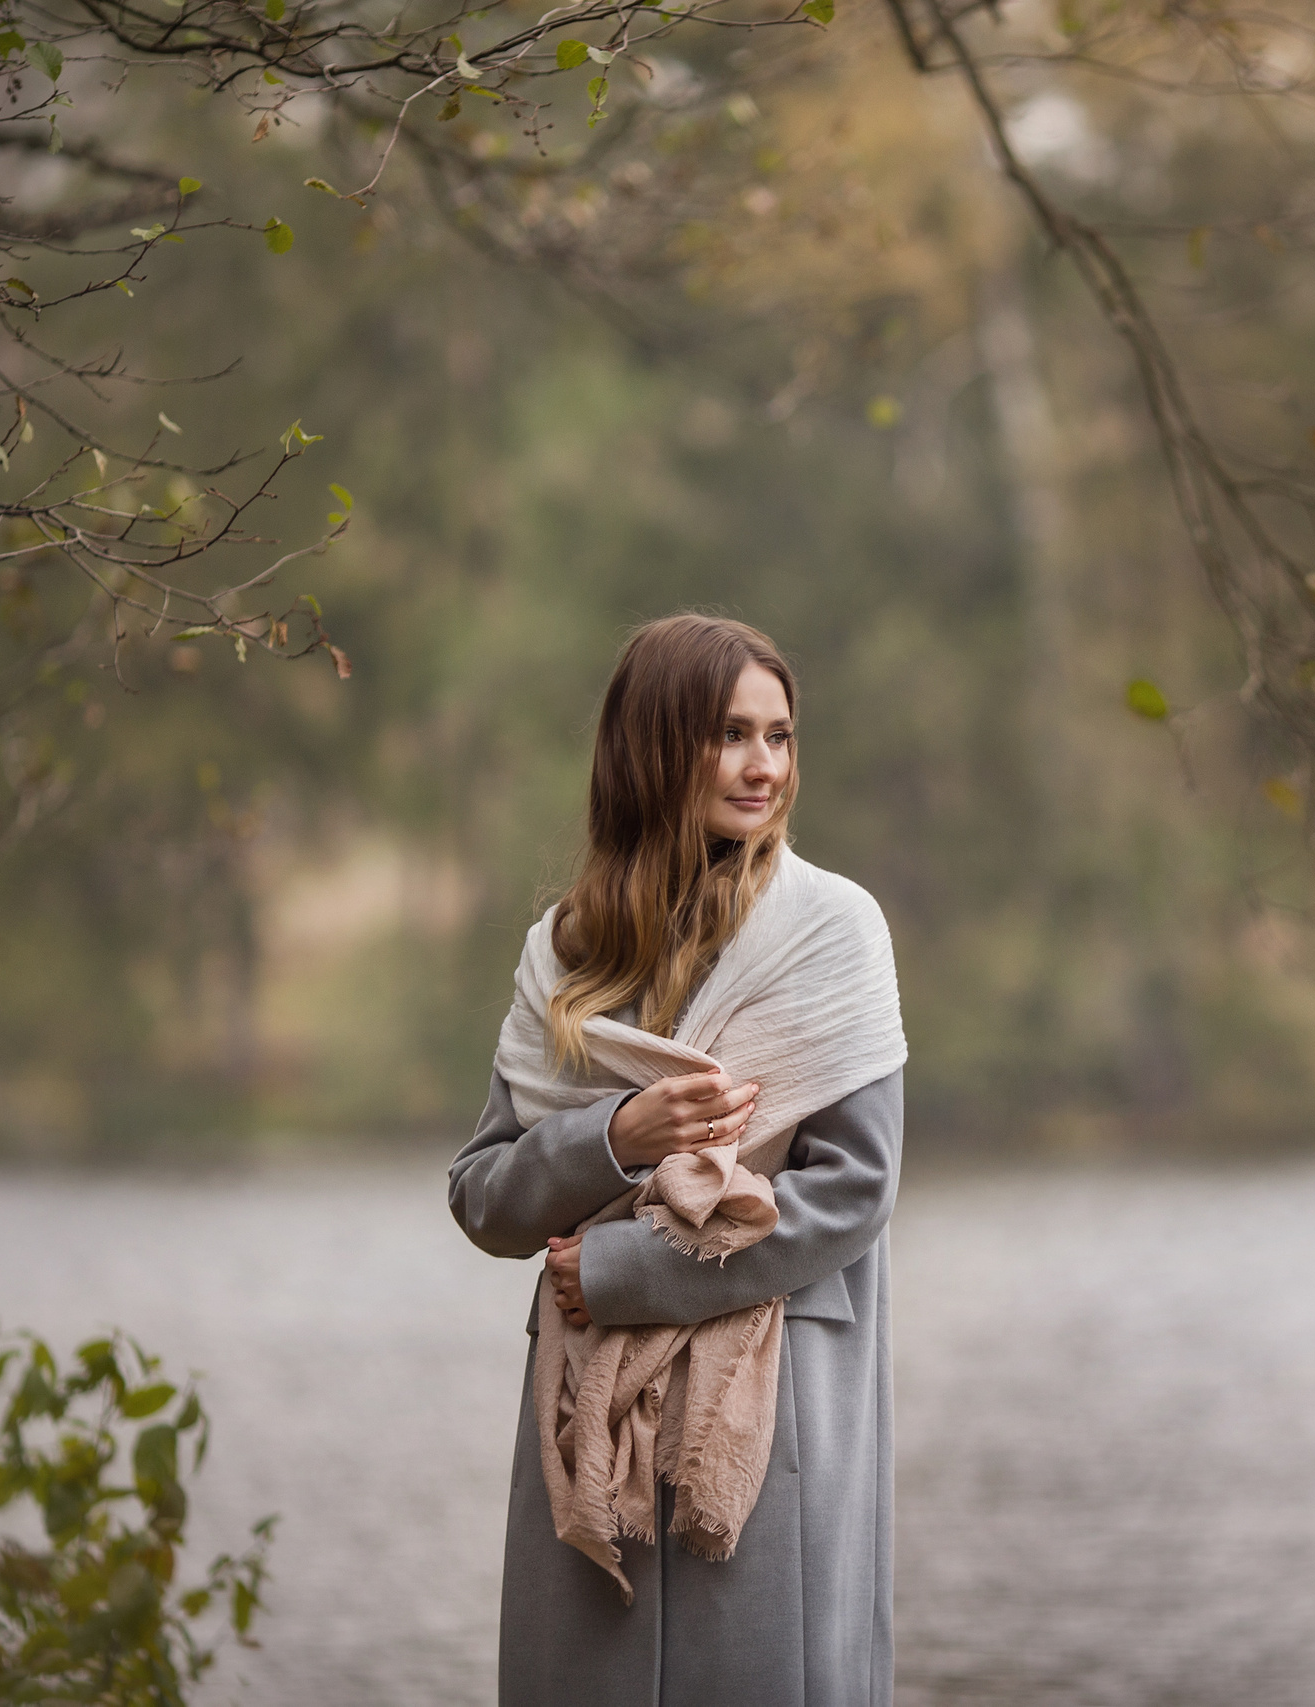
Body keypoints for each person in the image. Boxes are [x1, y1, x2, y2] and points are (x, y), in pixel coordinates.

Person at [448, 613, 908, 1707]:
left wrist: (619, 1274)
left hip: (777, 1392)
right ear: (655, 748)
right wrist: (615, 1136)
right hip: (585, 1412)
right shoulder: (572, 952)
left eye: (780, 736)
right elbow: (486, 1199)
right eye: (731, 735)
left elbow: (853, 1191)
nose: (764, 766)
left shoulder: (832, 930)